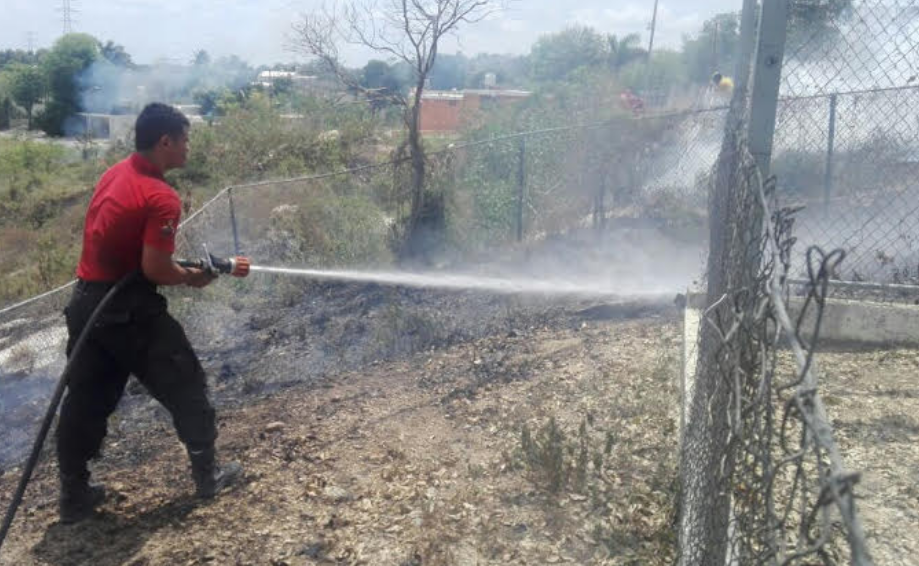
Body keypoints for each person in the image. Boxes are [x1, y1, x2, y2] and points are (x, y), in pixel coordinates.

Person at [56, 102, 242, 524]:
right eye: (185, 139)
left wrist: (182, 269)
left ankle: (74, 495)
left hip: (87, 305)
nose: (189, 147)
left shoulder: (116, 173)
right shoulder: (160, 196)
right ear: (166, 142)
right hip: (128, 310)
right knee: (186, 382)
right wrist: (190, 278)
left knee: (86, 400)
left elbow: (136, 256)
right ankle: (209, 475)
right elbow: (155, 269)